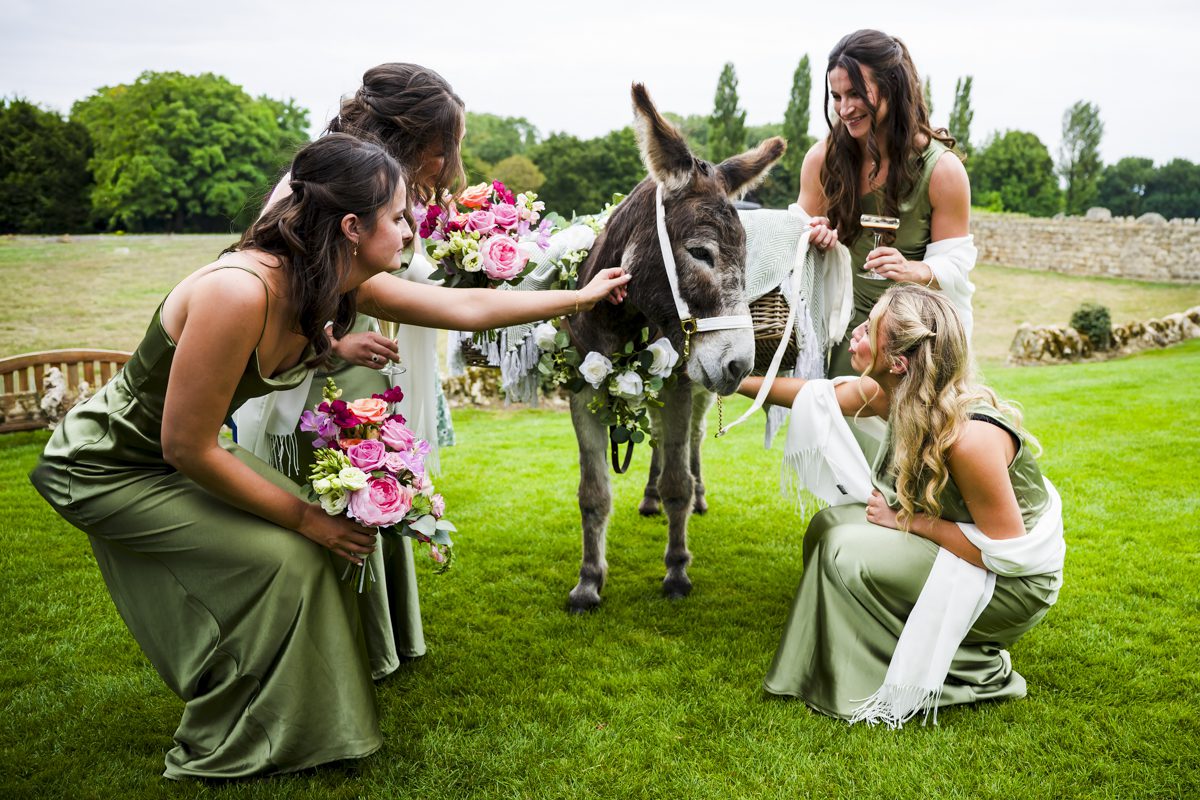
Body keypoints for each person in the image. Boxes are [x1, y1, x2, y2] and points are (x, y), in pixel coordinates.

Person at [29, 134, 629, 779]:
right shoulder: (238, 291)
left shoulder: (334, 282)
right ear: (351, 227)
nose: (411, 230)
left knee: (319, 547)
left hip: (181, 456)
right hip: (108, 464)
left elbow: (466, 306)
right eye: (397, 216)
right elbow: (186, 444)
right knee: (290, 553)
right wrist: (306, 518)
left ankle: (298, 725)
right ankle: (236, 730)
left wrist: (581, 297)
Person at [738, 284, 1063, 724]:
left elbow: (1004, 552)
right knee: (828, 525)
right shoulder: (892, 394)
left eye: (870, 327)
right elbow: (814, 395)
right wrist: (730, 381)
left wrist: (906, 522)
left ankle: (971, 669)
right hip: (973, 551)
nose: (856, 331)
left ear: (897, 362)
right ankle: (833, 657)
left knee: (845, 552)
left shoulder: (970, 439)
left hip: (1012, 586)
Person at [234, 63, 467, 674]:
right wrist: (333, 343)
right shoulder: (321, 182)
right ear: (411, 135)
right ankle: (329, 647)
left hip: (369, 369)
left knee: (375, 488)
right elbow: (276, 279)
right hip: (320, 373)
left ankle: (379, 638)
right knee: (337, 491)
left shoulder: (391, 188)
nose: (445, 164)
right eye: (442, 148)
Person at [798, 29, 977, 377]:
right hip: (847, 333)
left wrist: (913, 270)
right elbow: (793, 254)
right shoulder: (822, 160)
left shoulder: (942, 171)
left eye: (856, 93)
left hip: (915, 342)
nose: (844, 109)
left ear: (892, 86)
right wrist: (812, 237)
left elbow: (956, 266)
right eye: (837, 96)